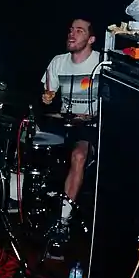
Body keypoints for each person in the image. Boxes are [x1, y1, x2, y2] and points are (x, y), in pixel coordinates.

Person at [40, 18, 101, 235]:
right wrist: (47, 98)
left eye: (79, 31)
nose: (72, 34)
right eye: (71, 30)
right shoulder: (58, 62)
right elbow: (48, 94)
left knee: (79, 155)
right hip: (63, 123)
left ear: (91, 39)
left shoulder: (102, 63)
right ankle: (16, 202)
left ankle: (63, 221)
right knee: (26, 139)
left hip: (91, 126)